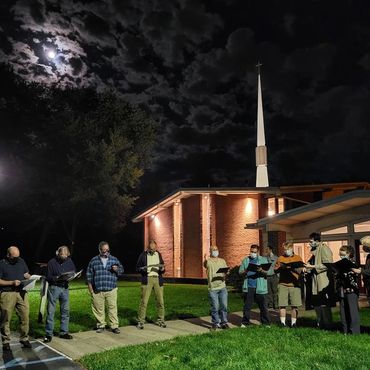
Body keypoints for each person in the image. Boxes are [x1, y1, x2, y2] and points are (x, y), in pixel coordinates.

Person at [86, 241, 124, 334]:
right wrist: (90, 289)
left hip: (111, 289)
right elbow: (89, 275)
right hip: (97, 290)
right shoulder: (94, 260)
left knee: (112, 308)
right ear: (99, 250)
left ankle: (114, 326)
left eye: (107, 250)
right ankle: (101, 325)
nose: (106, 252)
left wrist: (117, 269)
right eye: (104, 251)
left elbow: (121, 270)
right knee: (98, 309)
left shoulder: (114, 259)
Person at [0, 246, 31, 351]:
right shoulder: (2, 264)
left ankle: (24, 338)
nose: (17, 259)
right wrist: (11, 282)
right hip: (7, 293)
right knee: (6, 318)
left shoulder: (21, 260)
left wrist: (27, 276)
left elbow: (25, 272)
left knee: (25, 316)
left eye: (18, 257)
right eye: (14, 257)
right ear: (8, 255)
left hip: (22, 292)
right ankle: (6, 341)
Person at [44, 246, 76, 343]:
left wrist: (75, 275)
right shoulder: (51, 262)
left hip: (65, 288)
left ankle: (64, 332)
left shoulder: (69, 261)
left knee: (65, 311)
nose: (64, 257)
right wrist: (57, 278)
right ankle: (48, 334)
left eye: (66, 255)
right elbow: (48, 277)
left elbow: (73, 271)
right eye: (62, 254)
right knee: (51, 311)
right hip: (54, 288)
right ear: (58, 253)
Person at [305, 232, 334, 329]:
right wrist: (307, 267)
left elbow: (327, 265)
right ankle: (319, 322)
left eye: (311, 241)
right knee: (317, 302)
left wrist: (312, 266)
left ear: (317, 241)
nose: (310, 243)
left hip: (323, 280)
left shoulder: (324, 249)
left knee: (324, 303)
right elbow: (312, 261)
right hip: (315, 279)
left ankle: (327, 324)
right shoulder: (315, 250)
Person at [136, 240, 166, 329]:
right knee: (144, 301)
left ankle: (161, 320)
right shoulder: (143, 255)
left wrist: (162, 269)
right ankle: (141, 321)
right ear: (148, 248)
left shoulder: (159, 254)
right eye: (151, 249)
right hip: (147, 279)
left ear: (156, 248)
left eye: (154, 249)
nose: (152, 250)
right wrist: (143, 269)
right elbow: (137, 268)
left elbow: (163, 267)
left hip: (157, 279)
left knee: (160, 301)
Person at [239, 244, 270, 327]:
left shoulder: (263, 260)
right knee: (247, 306)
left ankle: (266, 323)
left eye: (254, 252)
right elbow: (240, 272)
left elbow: (269, 272)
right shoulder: (246, 260)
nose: (253, 253)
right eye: (251, 252)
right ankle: (245, 322)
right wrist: (246, 270)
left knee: (263, 306)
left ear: (258, 252)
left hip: (260, 287)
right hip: (249, 287)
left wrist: (261, 270)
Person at [275, 242, 304, 328]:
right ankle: (282, 323)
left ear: (291, 249)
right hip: (283, 284)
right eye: (284, 249)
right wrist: (280, 268)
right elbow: (275, 269)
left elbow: (300, 270)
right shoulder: (280, 258)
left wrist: (292, 268)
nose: (286, 251)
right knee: (282, 304)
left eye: (287, 249)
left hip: (294, 284)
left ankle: (293, 323)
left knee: (294, 305)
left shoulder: (298, 258)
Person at [335, 245, 360, 334]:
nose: (341, 256)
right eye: (340, 254)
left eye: (343, 254)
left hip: (351, 291)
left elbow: (355, 274)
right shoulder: (340, 263)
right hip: (342, 290)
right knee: (343, 312)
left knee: (353, 312)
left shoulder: (353, 264)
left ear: (349, 254)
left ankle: (355, 332)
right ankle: (345, 331)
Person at [203, 246, 229, 330]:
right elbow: (205, 265)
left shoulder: (222, 261)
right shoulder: (208, 261)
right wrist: (205, 259)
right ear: (210, 251)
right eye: (213, 250)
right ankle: (215, 323)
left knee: (224, 306)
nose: (215, 251)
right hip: (213, 288)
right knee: (215, 306)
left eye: (216, 249)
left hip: (222, 286)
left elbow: (225, 271)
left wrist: (225, 274)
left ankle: (224, 322)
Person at [264, 245, 279, 310]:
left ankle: (276, 305)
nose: (266, 251)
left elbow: (278, 266)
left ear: (270, 250)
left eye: (267, 249)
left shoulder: (276, 258)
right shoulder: (265, 258)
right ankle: (270, 305)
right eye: (266, 249)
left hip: (274, 276)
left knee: (275, 291)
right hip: (267, 276)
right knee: (269, 292)